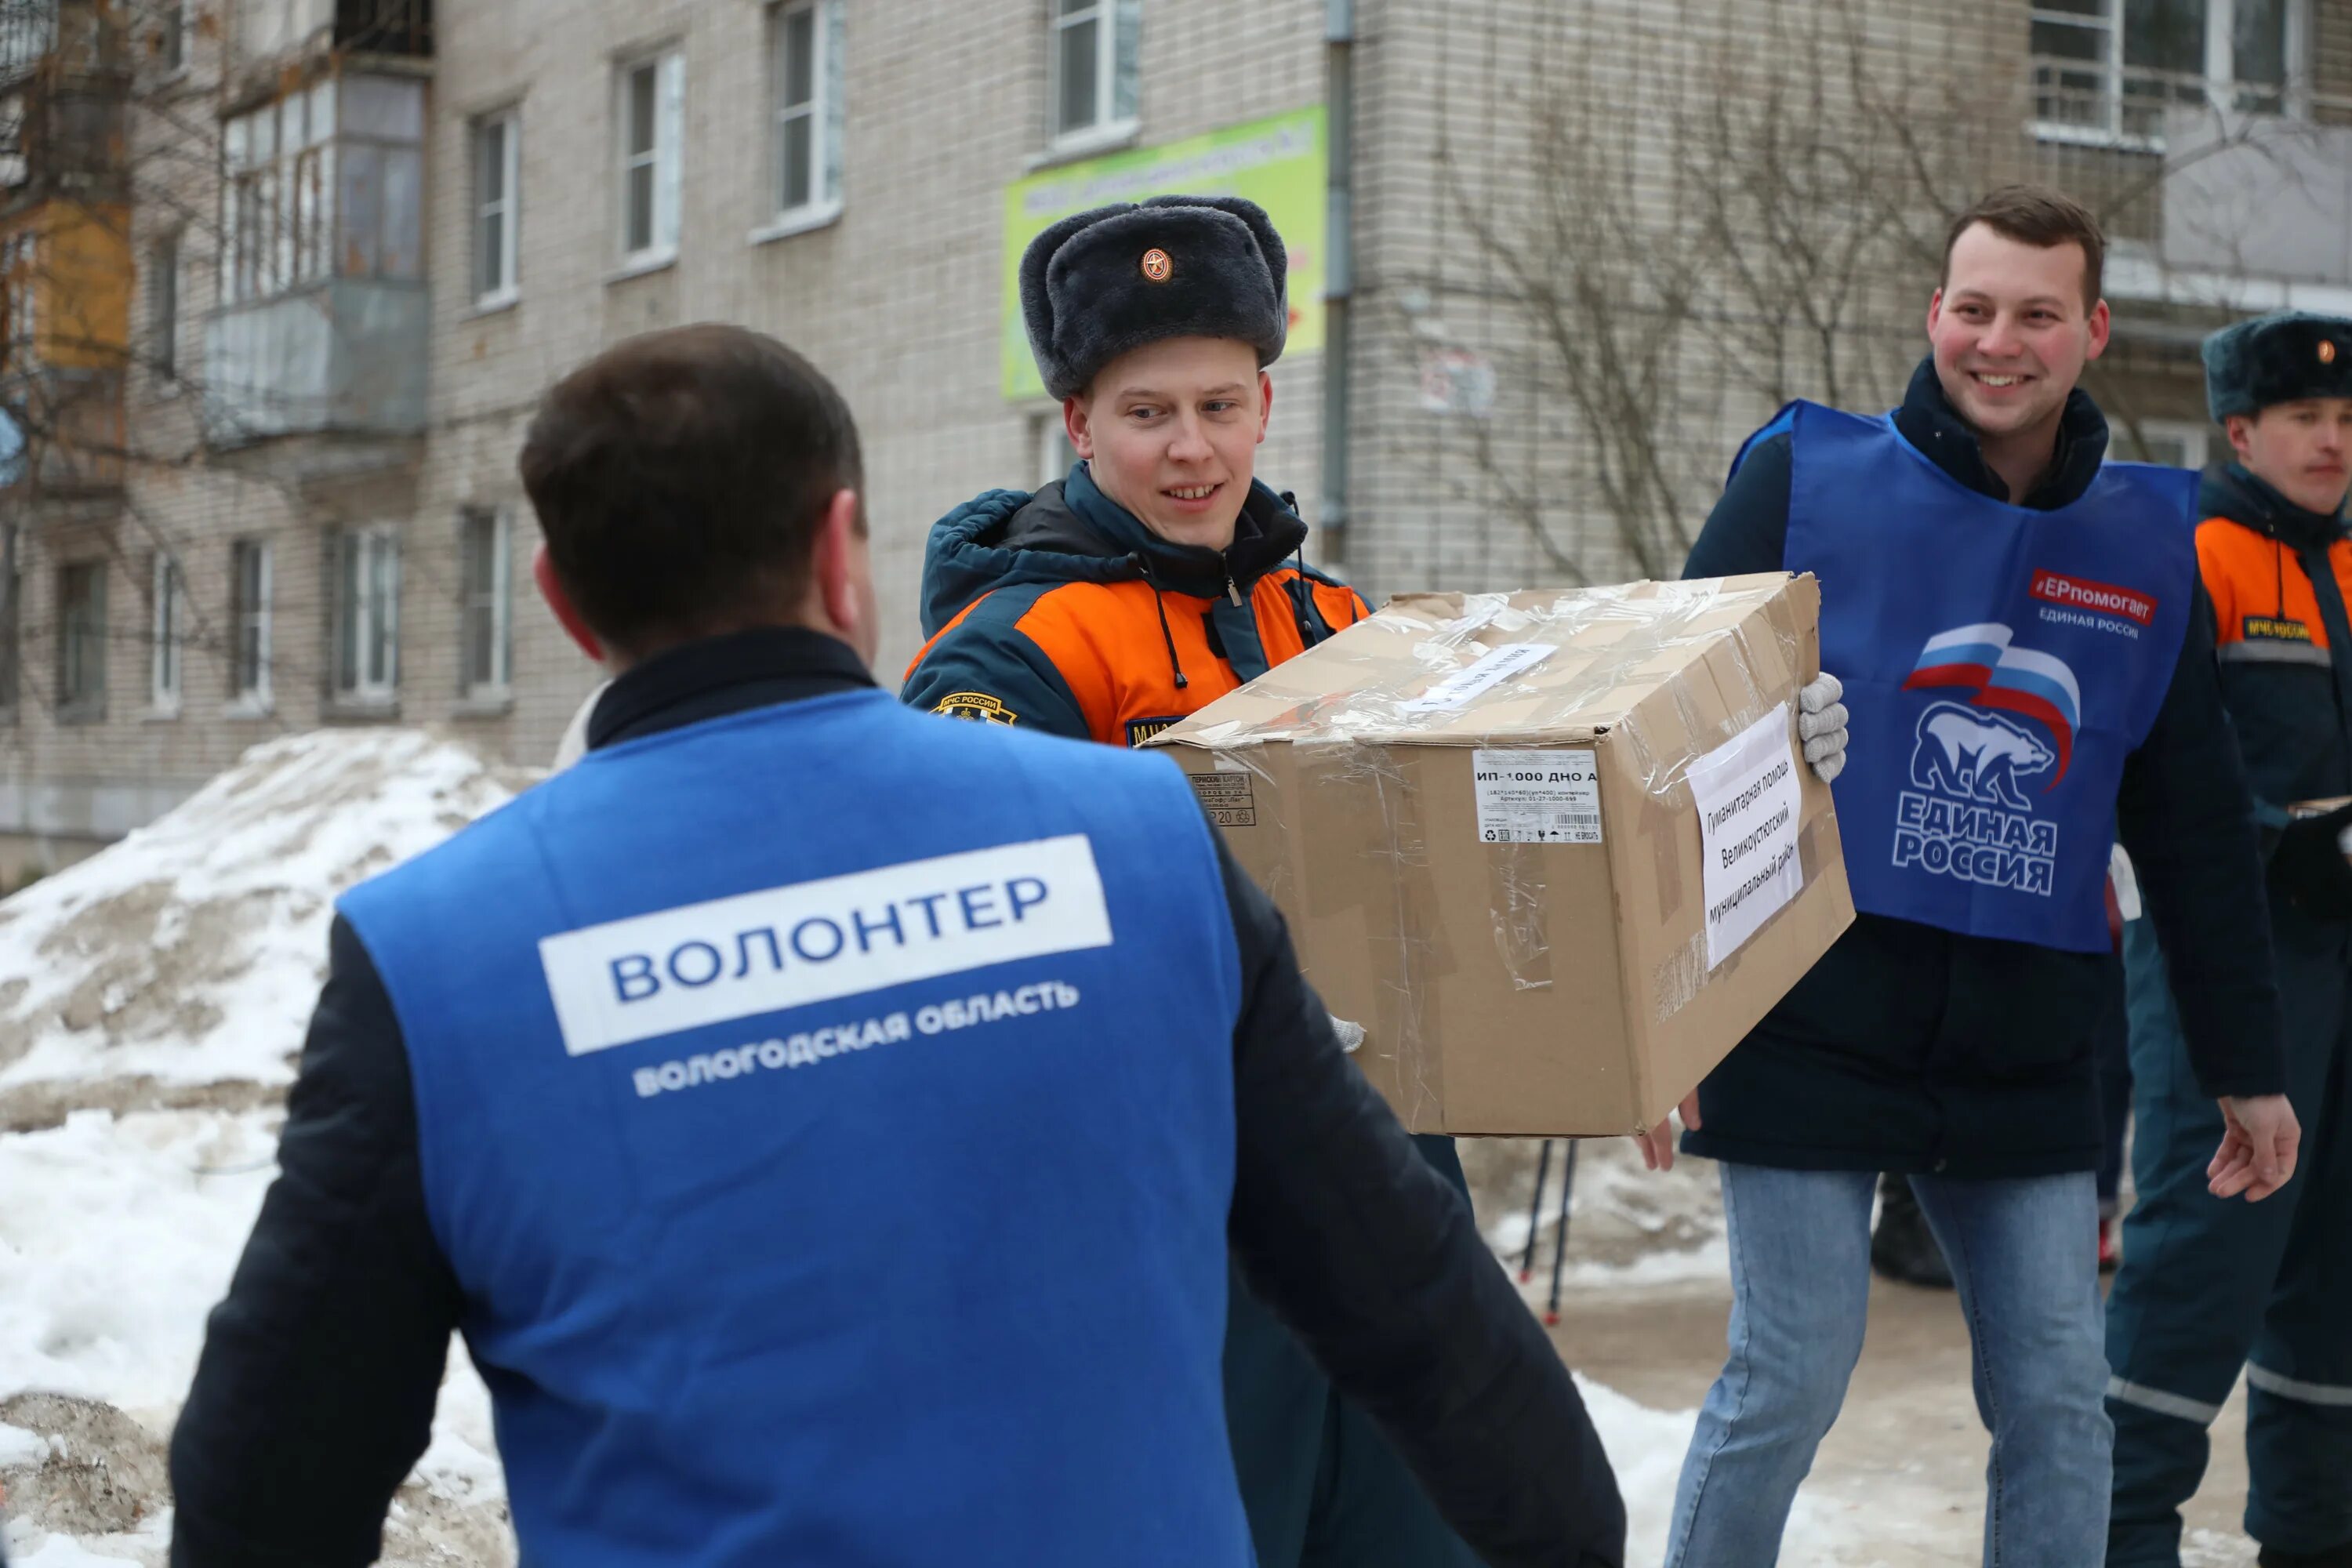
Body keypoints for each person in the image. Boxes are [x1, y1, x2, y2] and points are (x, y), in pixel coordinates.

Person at [165, 325, 1628, 1568]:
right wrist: (1570, 1529)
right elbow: (1403, 1286)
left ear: (558, 603)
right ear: (841, 550)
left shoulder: (438, 959)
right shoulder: (1140, 843)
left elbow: (273, 1475)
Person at [899, 194, 1848, 1567]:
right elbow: (983, 935)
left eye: (1220, 406)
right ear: (1079, 425)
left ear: (1267, 406)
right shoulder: (1013, 653)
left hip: (1387, 1191)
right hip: (1177, 1222)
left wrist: (1647, 1018)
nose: (1190, 448)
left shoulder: (1337, 623)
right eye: (1148, 412)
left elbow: (1478, 877)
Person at [1644, 184, 2299, 1568]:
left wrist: (2248, 1066)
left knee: (2064, 1401)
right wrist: (1657, 1023)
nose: (2000, 343)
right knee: (1791, 1378)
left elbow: (2193, 829)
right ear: (1936, 314)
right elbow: (1657, 743)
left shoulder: (2145, 547)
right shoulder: (1802, 479)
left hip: (2024, 1037)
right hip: (1806, 1014)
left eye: (2038, 315)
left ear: (2093, 331)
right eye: (1975, 308)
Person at [2103, 309, 2352, 1568]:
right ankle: (2118, 1531)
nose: (2332, 441)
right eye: (2306, 418)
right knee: (2207, 1256)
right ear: (2240, 429)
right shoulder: (2188, 555)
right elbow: (2158, 779)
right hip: (2231, 973)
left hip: (2348, 973)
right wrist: (2290, 840)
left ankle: (2314, 1536)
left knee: (2337, 1272)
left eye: (2349, 420)